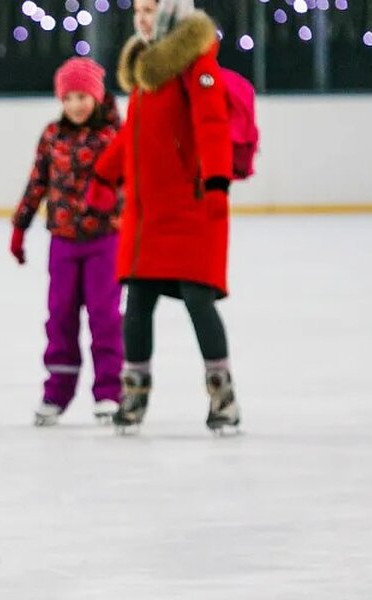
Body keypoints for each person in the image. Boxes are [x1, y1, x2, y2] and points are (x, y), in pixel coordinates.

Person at [88, 0, 239, 434]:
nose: (142, 18)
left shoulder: (195, 64)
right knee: (137, 301)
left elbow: (212, 124)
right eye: (138, 10)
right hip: (146, 215)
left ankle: (223, 396)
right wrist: (104, 174)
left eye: (151, 9)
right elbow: (134, 134)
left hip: (190, 206)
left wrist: (217, 184)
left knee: (198, 299)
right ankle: (133, 396)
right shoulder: (147, 67)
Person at [9, 57, 124, 427]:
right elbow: (37, 183)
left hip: (105, 241)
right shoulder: (52, 136)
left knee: (105, 318)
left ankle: (109, 392)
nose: (76, 105)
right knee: (60, 316)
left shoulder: (113, 136)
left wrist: (118, 205)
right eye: (68, 97)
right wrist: (20, 227)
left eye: (82, 96)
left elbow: (134, 184)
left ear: (97, 96)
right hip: (63, 242)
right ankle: (56, 391)